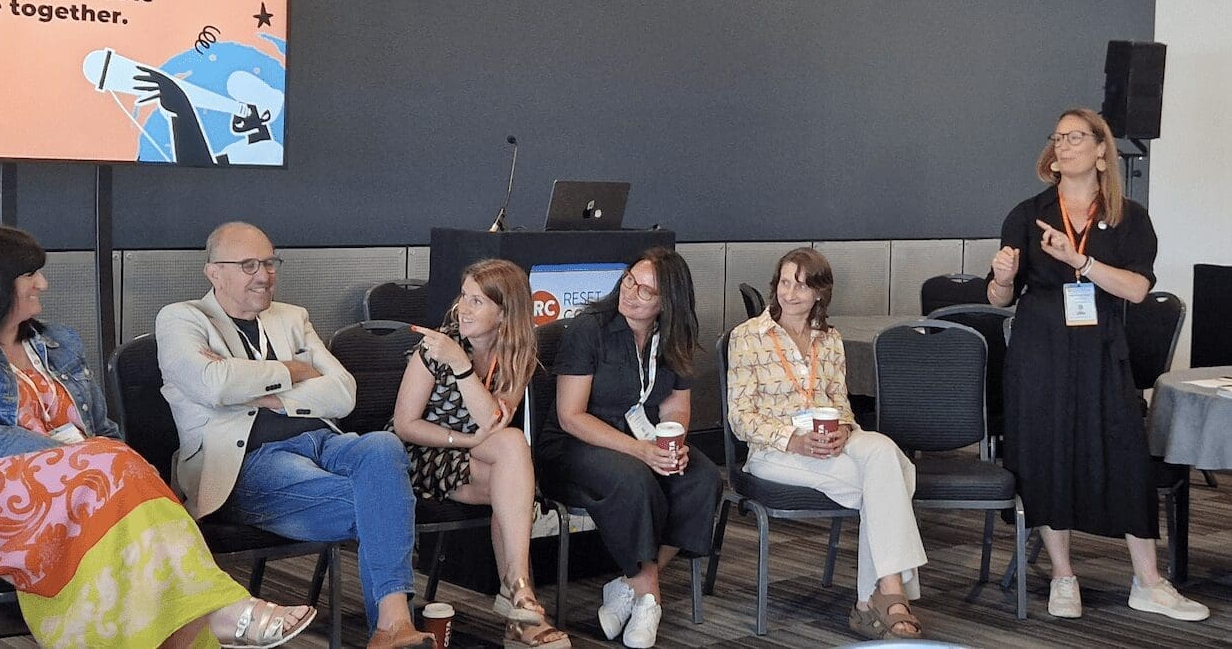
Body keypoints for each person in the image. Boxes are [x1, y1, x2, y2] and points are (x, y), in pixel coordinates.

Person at [0, 224, 315, 649]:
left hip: (86, 494)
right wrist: (74, 455)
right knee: (111, 465)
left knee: (127, 470)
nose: (43, 283)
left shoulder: (58, 342)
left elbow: (102, 430)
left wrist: (98, 456)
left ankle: (208, 618)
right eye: (31, 275)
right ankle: (223, 611)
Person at [157, 221, 434, 649]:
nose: (264, 275)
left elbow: (344, 394)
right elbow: (212, 384)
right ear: (214, 272)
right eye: (248, 265)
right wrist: (295, 371)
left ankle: (391, 629)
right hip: (247, 463)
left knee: (383, 445)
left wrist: (266, 394)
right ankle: (393, 626)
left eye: (269, 262)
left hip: (322, 440)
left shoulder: (291, 317)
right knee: (387, 500)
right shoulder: (181, 319)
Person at [988, 108, 1208, 622]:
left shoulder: (1130, 217)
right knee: (1047, 455)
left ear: (1102, 151)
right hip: (1040, 353)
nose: (1063, 145)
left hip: (1102, 350)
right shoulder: (1028, 212)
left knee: (1125, 455)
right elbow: (1000, 298)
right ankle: (1064, 577)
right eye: (1057, 138)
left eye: (1075, 137)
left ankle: (1149, 581)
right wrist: (1001, 276)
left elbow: (1136, 287)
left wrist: (1079, 261)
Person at [726, 247, 928, 640]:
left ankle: (875, 601)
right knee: (890, 481)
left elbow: (841, 406)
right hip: (774, 451)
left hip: (829, 442)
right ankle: (885, 597)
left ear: (820, 292)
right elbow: (740, 418)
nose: (791, 292)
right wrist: (794, 440)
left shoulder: (829, 340)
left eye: (802, 284)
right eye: (785, 282)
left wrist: (845, 431)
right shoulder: (748, 337)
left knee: (885, 453)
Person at [536, 248, 720, 649]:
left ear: (668, 303)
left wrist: (674, 444)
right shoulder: (590, 329)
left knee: (702, 477)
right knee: (634, 477)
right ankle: (650, 598)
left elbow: (677, 407)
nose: (632, 293)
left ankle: (628, 585)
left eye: (646, 291)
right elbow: (571, 416)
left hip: (643, 441)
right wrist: (642, 452)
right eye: (630, 281)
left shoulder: (675, 335)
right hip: (573, 445)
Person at [392, 259, 570, 649]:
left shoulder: (517, 351)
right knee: (514, 479)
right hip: (421, 453)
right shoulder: (437, 347)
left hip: (482, 456)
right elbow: (405, 425)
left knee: (511, 456)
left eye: (477, 302)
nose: (462, 309)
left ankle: (519, 599)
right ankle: (521, 601)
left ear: (504, 314)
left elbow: (492, 419)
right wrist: (457, 366)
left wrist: (464, 372)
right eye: (463, 298)